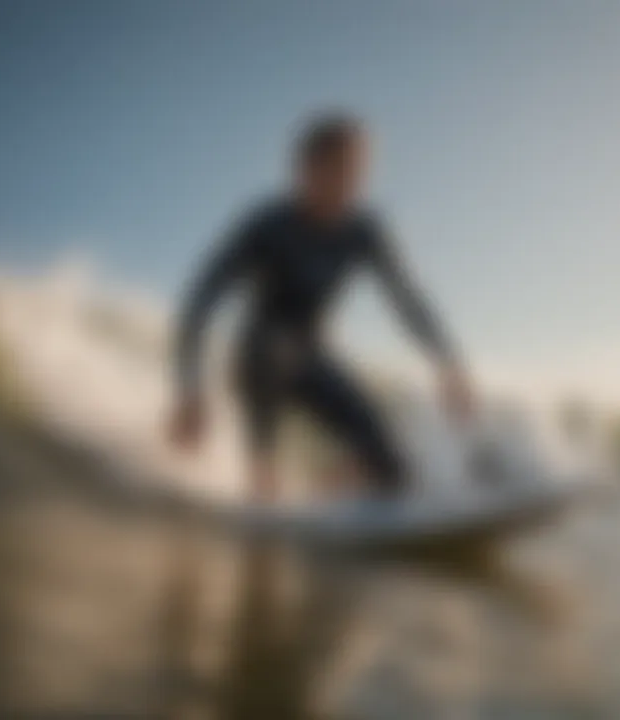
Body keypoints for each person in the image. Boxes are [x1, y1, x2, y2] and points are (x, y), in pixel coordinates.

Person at [168, 113, 473, 502]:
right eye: (343, 168)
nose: (353, 183)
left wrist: (448, 361)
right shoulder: (266, 226)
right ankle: (262, 474)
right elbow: (201, 299)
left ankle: (315, 499)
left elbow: (406, 298)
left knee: (393, 469)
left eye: (360, 171)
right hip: (260, 358)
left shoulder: (364, 230)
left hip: (313, 359)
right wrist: (189, 392)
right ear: (306, 168)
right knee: (274, 347)